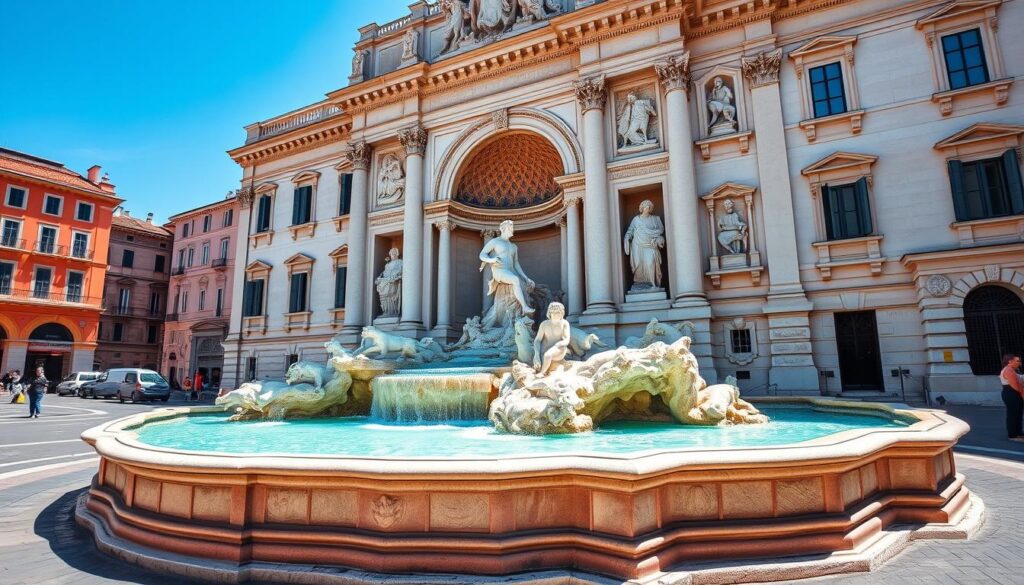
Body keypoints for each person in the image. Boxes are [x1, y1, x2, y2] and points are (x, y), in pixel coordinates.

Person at [533, 302, 571, 376]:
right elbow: (537, 340)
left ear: (561, 313)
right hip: (543, 350)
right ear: (549, 313)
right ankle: (542, 371)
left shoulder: (564, 323)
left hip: (559, 348)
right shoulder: (544, 324)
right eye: (553, 312)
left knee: (547, 355)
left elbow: (567, 340)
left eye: (557, 312)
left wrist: (559, 344)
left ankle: (542, 373)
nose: (555, 314)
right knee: (538, 363)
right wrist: (536, 354)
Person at [1000, 354, 1024, 442]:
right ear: (1010, 361)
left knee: (1018, 414)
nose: (1019, 362)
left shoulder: (1013, 370)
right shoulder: (1008, 370)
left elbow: (1020, 380)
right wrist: (1023, 395)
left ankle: (1019, 433)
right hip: (1011, 393)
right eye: (1017, 361)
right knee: (1013, 415)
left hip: (1014, 393)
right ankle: (1013, 435)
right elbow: (1016, 386)